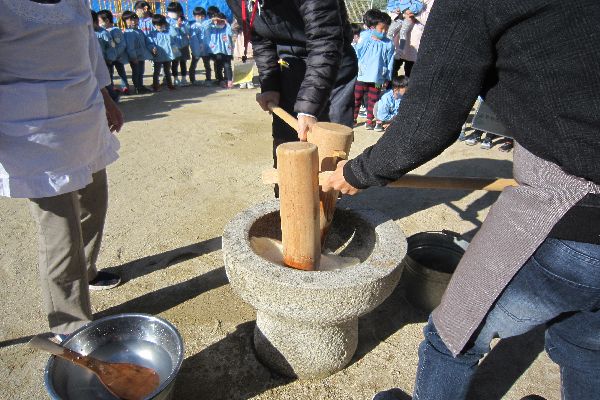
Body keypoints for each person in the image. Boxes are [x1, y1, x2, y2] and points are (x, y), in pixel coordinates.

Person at [324, 1, 600, 399]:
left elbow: (427, 122)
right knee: (586, 346)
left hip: (570, 206)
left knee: (451, 337)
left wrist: (356, 173)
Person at [0, 0, 123, 342]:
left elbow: (90, 52)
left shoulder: (76, 1)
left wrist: (106, 98)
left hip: (85, 118)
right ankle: (70, 324)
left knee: (93, 205)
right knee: (60, 232)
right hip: (34, 133)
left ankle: (87, 270)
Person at [226, 0, 359, 183]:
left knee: (328, 145)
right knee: (287, 144)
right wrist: (271, 84)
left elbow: (324, 40)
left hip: (330, 61)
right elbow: (259, 37)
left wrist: (308, 109)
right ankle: (288, 194)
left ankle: (328, 198)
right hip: (288, 62)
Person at [353, 9, 395, 130]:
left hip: (378, 79)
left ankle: (369, 120)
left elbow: (390, 62)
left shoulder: (389, 44)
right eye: (381, 29)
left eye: (386, 29)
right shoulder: (365, 37)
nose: (384, 32)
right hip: (361, 76)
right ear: (373, 27)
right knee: (356, 98)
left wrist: (387, 78)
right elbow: (357, 52)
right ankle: (353, 119)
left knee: (373, 100)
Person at [98, 9, 131, 94]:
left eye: (99, 21)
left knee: (121, 72)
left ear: (107, 21)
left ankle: (125, 86)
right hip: (109, 58)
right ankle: (112, 88)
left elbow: (120, 44)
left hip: (117, 57)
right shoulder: (101, 31)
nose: (98, 23)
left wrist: (116, 54)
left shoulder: (115, 30)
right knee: (110, 73)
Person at [146, 14, 179, 91]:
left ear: (165, 24)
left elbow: (175, 34)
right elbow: (149, 43)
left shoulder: (168, 33)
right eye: (157, 25)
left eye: (162, 24)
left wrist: (168, 24)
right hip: (158, 56)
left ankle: (170, 85)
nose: (160, 26)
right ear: (154, 25)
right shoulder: (152, 34)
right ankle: (155, 86)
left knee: (167, 71)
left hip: (167, 56)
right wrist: (152, 48)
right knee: (156, 72)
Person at [122, 11, 152, 94]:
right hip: (135, 57)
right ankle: (137, 87)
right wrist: (133, 57)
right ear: (125, 21)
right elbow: (130, 47)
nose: (134, 21)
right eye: (131, 20)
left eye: (135, 19)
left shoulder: (139, 31)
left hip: (141, 56)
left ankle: (140, 85)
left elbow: (146, 41)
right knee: (136, 72)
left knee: (141, 71)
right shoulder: (128, 33)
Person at [205, 12, 234, 88]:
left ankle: (229, 80)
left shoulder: (226, 28)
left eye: (220, 21)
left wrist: (226, 23)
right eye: (216, 21)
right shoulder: (211, 28)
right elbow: (204, 26)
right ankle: (220, 80)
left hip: (226, 51)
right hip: (216, 51)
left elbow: (231, 33)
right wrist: (212, 20)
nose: (218, 22)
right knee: (218, 66)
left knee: (227, 66)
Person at [167, 1, 191, 86]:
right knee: (175, 63)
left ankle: (184, 78)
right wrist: (176, 26)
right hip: (174, 45)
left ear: (180, 12)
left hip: (183, 44)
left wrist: (181, 26)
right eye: (170, 11)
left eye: (174, 11)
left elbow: (188, 31)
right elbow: (169, 32)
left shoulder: (185, 21)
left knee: (183, 62)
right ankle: (175, 78)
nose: (172, 13)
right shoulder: (168, 21)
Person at [189, 6, 212, 86]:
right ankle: (192, 80)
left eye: (202, 16)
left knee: (207, 65)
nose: (200, 17)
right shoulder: (193, 26)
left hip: (206, 49)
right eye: (198, 16)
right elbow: (192, 39)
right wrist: (195, 48)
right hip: (196, 49)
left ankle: (208, 79)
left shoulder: (207, 24)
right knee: (193, 64)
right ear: (194, 16)